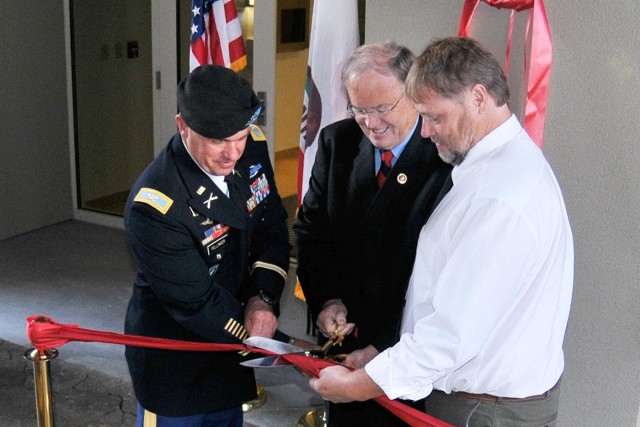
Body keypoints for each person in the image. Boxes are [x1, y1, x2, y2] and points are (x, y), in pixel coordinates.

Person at [309, 36, 574, 427]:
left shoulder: (498, 196)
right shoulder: (496, 167)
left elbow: (450, 337)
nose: (427, 132)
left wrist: (362, 386)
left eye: (434, 117)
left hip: (482, 410)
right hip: (477, 401)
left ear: (478, 98)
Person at [294, 42, 452, 426]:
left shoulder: (444, 157)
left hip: (405, 355)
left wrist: (383, 341)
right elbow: (312, 232)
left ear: (413, 96)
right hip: (345, 345)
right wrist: (327, 299)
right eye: (359, 110)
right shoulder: (337, 143)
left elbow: (440, 274)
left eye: (382, 108)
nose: (371, 122)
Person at [123, 65, 291, 426]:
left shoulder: (251, 146)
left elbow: (271, 228)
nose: (232, 153)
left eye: (240, 136)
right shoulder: (156, 203)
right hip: (174, 364)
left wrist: (262, 298)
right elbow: (196, 302)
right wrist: (282, 344)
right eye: (217, 140)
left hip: (230, 352)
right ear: (182, 126)